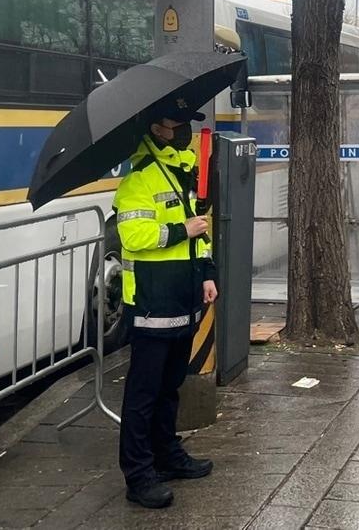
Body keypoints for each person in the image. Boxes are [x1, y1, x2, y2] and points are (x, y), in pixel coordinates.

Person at [113, 110, 219, 509]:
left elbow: (200, 233)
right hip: (152, 302)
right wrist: (182, 231)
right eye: (177, 125)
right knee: (144, 392)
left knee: (170, 387)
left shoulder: (183, 173)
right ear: (157, 129)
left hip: (184, 299)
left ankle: (167, 456)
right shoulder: (138, 179)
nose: (184, 132)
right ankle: (138, 475)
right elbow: (133, 235)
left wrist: (207, 272)